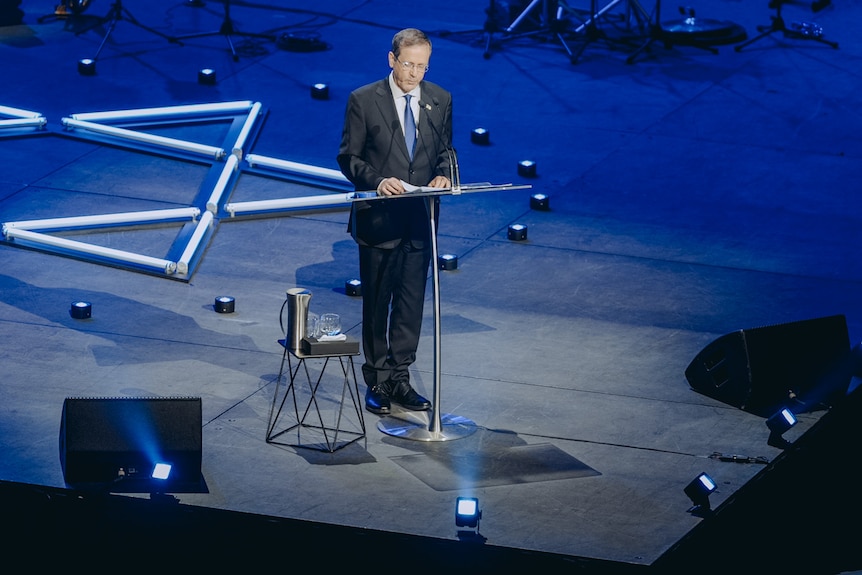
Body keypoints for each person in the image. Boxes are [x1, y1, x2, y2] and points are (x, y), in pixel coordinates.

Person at [337, 27, 453, 415]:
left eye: (422, 66)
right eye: (408, 64)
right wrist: (378, 181)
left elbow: (445, 151)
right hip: (380, 219)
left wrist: (444, 175)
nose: (415, 74)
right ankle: (378, 380)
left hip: (420, 219)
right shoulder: (364, 100)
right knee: (378, 304)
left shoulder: (439, 99)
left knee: (409, 305)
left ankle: (400, 379)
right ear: (392, 60)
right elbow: (348, 158)